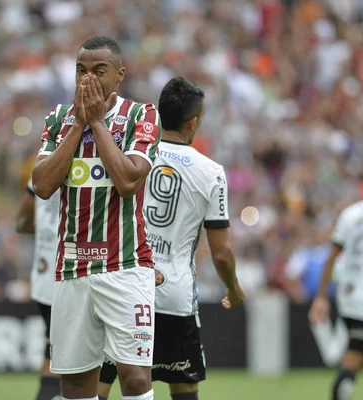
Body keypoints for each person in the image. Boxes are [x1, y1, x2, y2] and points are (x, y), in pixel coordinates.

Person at [97, 77, 245, 400]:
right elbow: (221, 254)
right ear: (193, 123)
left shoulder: (130, 153)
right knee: (183, 388)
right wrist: (233, 288)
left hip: (124, 287)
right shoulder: (212, 172)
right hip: (174, 297)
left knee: (101, 383)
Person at [31, 36, 162, 400]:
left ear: (119, 75)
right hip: (73, 267)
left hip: (125, 264)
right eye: (81, 70)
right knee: (73, 381)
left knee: (134, 376)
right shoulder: (58, 119)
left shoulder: (142, 115)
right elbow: (41, 185)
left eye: (98, 71)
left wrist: (98, 124)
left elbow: (128, 181)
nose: (88, 79)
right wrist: (78, 125)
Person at [309, 200, 363, 400]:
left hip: (351, 298)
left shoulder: (351, 214)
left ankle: (343, 389)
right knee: (354, 357)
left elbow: (331, 257)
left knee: (355, 356)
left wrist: (321, 297)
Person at [15, 178, 61, 400]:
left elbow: (21, 223)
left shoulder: (40, 172)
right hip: (70, 277)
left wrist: (44, 229)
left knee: (52, 353)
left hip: (43, 279)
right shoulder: (87, 167)